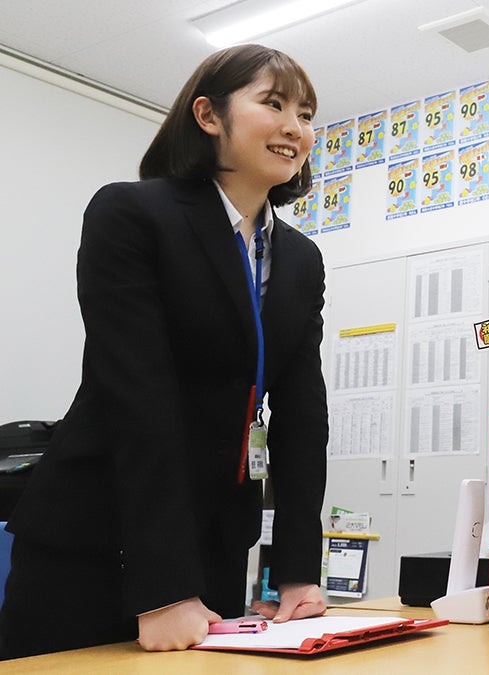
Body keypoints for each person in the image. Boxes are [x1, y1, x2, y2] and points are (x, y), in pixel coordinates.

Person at [0, 44, 330, 658]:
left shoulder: (301, 258)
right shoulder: (131, 212)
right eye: (274, 103)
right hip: (99, 538)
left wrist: (296, 571)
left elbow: (304, 415)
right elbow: (137, 397)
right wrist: (164, 588)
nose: (295, 127)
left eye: (306, 114)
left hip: (215, 543)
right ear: (208, 115)